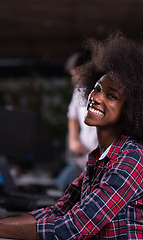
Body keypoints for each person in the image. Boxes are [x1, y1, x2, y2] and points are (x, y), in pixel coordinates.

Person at [0, 32, 143, 239]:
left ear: (132, 111)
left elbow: (73, 228)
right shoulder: (100, 159)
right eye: (96, 88)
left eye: (112, 96)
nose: (96, 98)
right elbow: (58, 211)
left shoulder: (130, 159)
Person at [55, 51, 98, 191]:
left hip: (99, 160)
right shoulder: (80, 90)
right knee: (60, 188)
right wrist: (73, 140)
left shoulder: (103, 90)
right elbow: (72, 116)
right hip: (83, 157)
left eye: (77, 74)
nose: (74, 79)